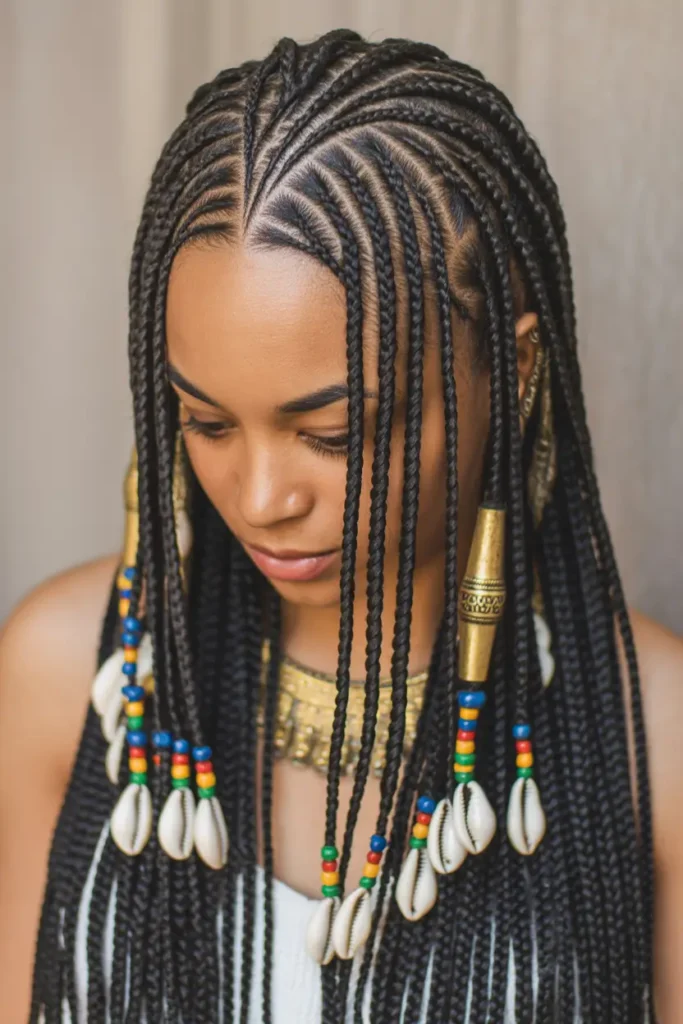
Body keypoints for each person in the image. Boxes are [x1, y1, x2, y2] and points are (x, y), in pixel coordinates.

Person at [1, 28, 682, 1024]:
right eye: (206, 422)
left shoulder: (648, 742)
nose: (261, 494)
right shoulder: (67, 675)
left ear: (516, 369)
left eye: (332, 431)